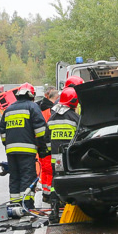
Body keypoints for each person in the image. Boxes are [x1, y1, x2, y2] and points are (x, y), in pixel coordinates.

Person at [0, 82, 49, 210]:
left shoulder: (9, 109)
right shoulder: (32, 107)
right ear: (32, 95)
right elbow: (41, 131)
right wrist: (43, 148)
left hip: (11, 151)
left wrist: (8, 144)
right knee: (27, 176)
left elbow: (2, 131)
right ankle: (26, 206)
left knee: (15, 177)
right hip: (27, 151)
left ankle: (15, 205)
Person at [46, 86, 80, 214]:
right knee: (72, 182)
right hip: (71, 159)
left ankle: (54, 211)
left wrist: (51, 151)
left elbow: (47, 139)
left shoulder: (52, 118)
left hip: (56, 159)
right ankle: (71, 209)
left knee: (55, 182)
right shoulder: (75, 118)